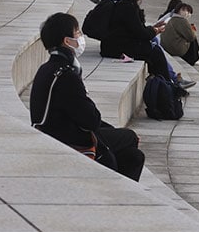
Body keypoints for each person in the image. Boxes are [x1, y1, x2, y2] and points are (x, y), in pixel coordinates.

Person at [29, 12, 145, 181]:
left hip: (53, 131)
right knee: (129, 138)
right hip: (66, 138)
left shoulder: (47, 68)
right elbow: (91, 119)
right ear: (67, 41)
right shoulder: (67, 75)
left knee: (133, 156)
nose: (81, 37)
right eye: (77, 33)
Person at [100, 0, 173, 80]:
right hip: (118, 48)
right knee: (155, 51)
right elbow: (140, 33)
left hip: (115, 45)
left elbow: (136, 28)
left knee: (153, 49)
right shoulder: (128, 8)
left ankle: (165, 82)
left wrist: (153, 28)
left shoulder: (123, 5)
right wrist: (156, 31)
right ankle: (167, 84)